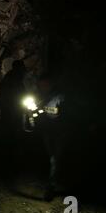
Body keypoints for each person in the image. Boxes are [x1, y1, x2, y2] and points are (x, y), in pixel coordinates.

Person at [36, 73, 68, 201]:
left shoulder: (60, 96)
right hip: (47, 130)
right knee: (50, 157)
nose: (42, 87)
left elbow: (63, 113)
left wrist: (44, 110)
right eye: (40, 85)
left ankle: (51, 186)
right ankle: (50, 181)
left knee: (55, 158)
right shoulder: (42, 96)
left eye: (44, 85)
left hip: (59, 132)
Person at [0, 60, 27, 177]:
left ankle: (11, 163)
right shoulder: (11, 80)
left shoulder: (13, 79)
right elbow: (10, 97)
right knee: (11, 137)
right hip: (11, 113)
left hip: (13, 112)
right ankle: (10, 163)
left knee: (12, 137)